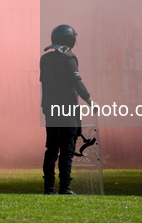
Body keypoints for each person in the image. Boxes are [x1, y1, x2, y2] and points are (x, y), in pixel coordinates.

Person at [40, 24, 94, 195]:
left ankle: (49, 188)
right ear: (70, 39)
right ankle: (65, 188)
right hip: (67, 111)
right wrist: (90, 100)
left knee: (51, 150)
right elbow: (77, 83)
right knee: (67, 151)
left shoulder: (45, 59)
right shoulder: (69, 58)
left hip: (50, 110)